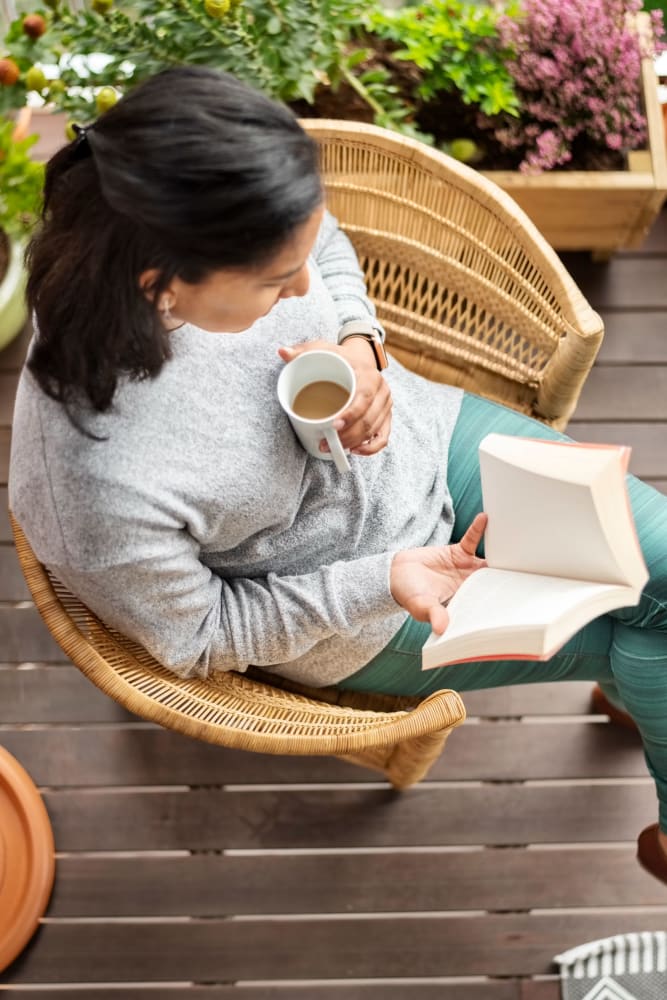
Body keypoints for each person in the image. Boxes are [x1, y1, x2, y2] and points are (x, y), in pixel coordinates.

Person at [9, 66, 667, 885]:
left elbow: (321, 245)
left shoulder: (213, 224)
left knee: (660, 588)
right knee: (642, 629)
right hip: (362, 606)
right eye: (273, 284)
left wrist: (360, 346)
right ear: (160, 283)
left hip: (427, 441)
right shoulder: (97, 486)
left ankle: (639, 699)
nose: (302, 288)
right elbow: (203, 638)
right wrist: (379, 579)